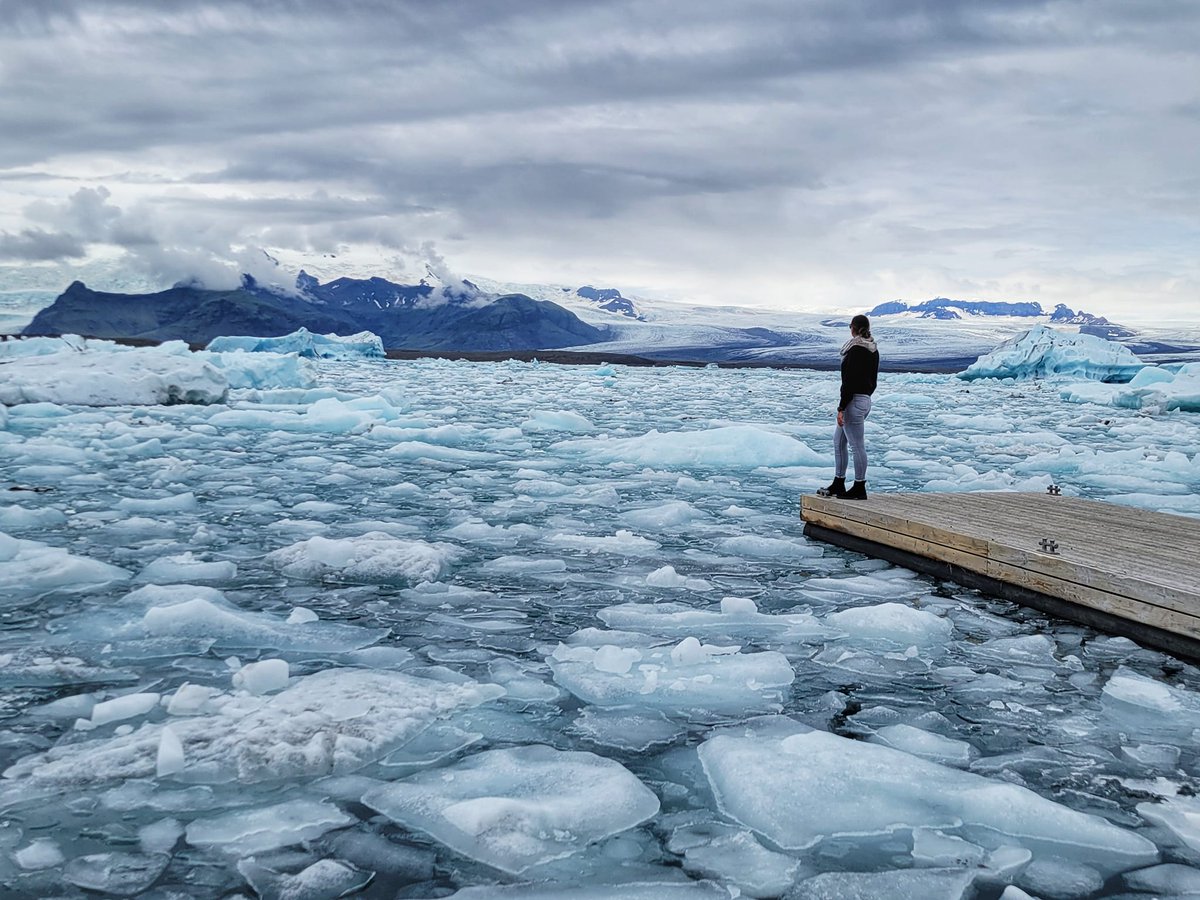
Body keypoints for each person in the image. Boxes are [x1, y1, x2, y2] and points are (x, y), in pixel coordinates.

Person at [820, 313, 878, 500]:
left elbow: (849, 381)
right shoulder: (872, 349)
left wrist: (842, 407)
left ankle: (859, 486)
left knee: (856, 445)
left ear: (853, 328)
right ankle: (839, 482)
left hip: (853, 402)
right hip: (864, 399)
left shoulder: (855, 350)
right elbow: (872, 380)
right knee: (839, 442)